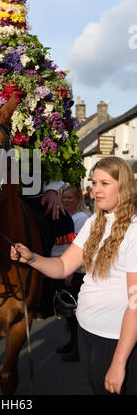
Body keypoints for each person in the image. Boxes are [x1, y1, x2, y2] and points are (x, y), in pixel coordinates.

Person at [11, 157, 137, 395]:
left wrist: (119, 362)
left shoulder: (134, 230)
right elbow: (62, 266)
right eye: (94, 183)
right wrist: (32, 258)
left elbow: (135, 305)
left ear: (124, 186)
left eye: (104, 183)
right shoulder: (93, 223)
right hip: (87, 332)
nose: (96, 190)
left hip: (114, 340)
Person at [55, 185, 90, 362]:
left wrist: (69, 272)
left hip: (76, 271)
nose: (67, 200)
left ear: (78, 200)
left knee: (75, 311)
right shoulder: (65, 216)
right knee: (68, 311)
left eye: (70, 197)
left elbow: (77, 248)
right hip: (67, 267)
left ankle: (78, 349)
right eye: (64, 197)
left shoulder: (81, 218)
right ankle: (72, 342)